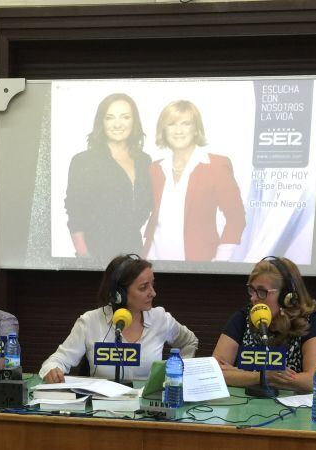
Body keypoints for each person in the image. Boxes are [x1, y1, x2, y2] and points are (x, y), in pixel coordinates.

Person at [40, 254, 198, 383]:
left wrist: (179, 374)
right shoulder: (90, 322)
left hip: (148, 410)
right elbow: (58, 360)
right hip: (102, 409)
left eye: (152, 285)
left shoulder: (161, 319)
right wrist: (53, 370)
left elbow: (189, 341)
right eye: (144, 287)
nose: (153, 293)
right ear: (119, 294)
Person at [144, 100, 246, 262]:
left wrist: (219, 262)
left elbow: (236, 217)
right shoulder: (154, 169)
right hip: (153, 265)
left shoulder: (216, 166)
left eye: (186, 123)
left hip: (198, 265)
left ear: (196, 129)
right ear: (163, 130)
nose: (178, 130)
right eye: (171, 124)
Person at [212, 256, 316, 392]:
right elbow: (214, 372)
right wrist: (262, 376)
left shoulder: (310, 320)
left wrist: (239, 374)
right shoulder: (244, 317)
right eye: (252, 290)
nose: (253, 298)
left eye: (262, 292)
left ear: (287, 296)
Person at [64, 93, 153, 262]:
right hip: (96, 253)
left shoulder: (144, 160)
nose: (117, 124)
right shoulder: (83, 161)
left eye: (125, 117)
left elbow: (146, 206)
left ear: (134, 121)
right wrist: (83, 256)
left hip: (134, 252)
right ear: (101, 122)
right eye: (110, 117)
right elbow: (75, 212)